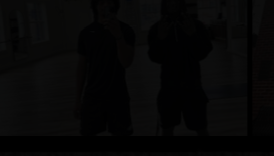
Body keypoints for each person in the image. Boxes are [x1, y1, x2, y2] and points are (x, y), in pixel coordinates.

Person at [148, 0, 212, 133]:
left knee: (201, 127)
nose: (172, 3)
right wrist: (160, 39)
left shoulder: (196, 25)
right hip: (168, 86)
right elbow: (155, 57)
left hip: (193, 85)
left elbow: (202, 53)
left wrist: (193, 35)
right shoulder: (157, 28)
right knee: (167, 128)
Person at [75, 0, 134, 134]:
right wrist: (77, 100)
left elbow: (126, 62)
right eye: (101, 3)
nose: (105, 6)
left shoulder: (126, 31)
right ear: (95, 7)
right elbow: (81, 67)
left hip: (118, 96)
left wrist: (118, 36)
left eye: (109, 2)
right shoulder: (86, 33)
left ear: (115, 6)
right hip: (93, 96)